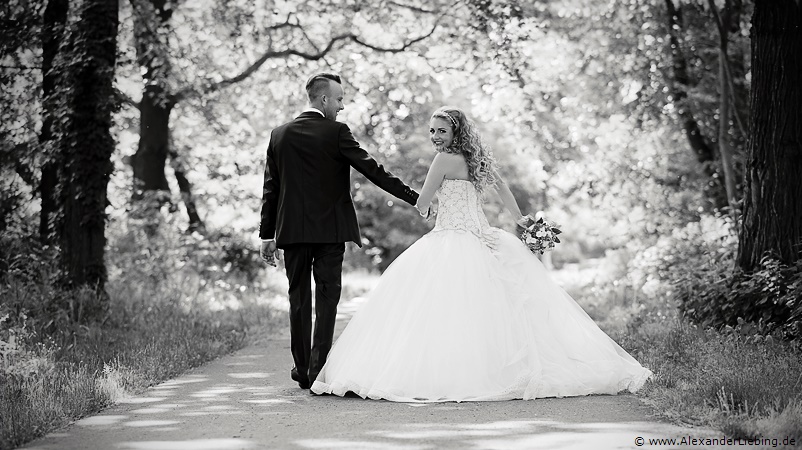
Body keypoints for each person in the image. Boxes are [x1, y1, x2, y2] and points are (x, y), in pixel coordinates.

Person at [310, 106, 652, 402]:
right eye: (431, 130)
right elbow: (502, 190)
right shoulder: (477, 160)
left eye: (441, 131)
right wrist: (522, 221)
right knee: (496, 308)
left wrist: (425, 207)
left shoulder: (442, 160)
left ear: (455, 131)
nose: (435, 136)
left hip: (450, 238)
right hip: (485, 238)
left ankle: (451, 371)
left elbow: (423, 201)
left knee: (442, 310)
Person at [259, 73, 420, 390]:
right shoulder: (336, 132)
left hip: (291, 232)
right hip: (330, 232)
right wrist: (415, 198)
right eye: (340, 99)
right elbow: (373, 170)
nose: (342, 106)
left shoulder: (279, 135)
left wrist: (267, 235)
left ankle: (302, 368)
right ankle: (317, 369)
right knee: (328, 298)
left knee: (299, 300)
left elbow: (270, 189)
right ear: (323, 100)